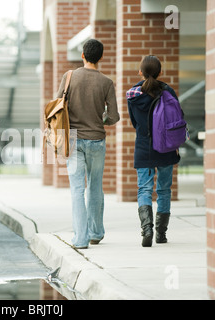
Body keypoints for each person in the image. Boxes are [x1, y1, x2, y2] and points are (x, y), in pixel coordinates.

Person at [56, 39, 120, 249]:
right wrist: (101, 119)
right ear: (101, 57)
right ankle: (96, 233)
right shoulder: (106, 82)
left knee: (77, 189)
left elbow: (56, 107)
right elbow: (113, 116)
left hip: (73, 140)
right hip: (96, 141)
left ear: (82, 55)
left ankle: (80, 239)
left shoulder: (69, 77)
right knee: (95, 187)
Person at [126, 55, 181, 247]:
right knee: (164, 190)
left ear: (140, 72)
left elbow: (134, 123)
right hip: (166, 147)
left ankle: (147, 230)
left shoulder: (133, 95)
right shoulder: (168, 92)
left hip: (144, 146)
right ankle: (161, 234)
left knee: (144, 189)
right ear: (160, 73)